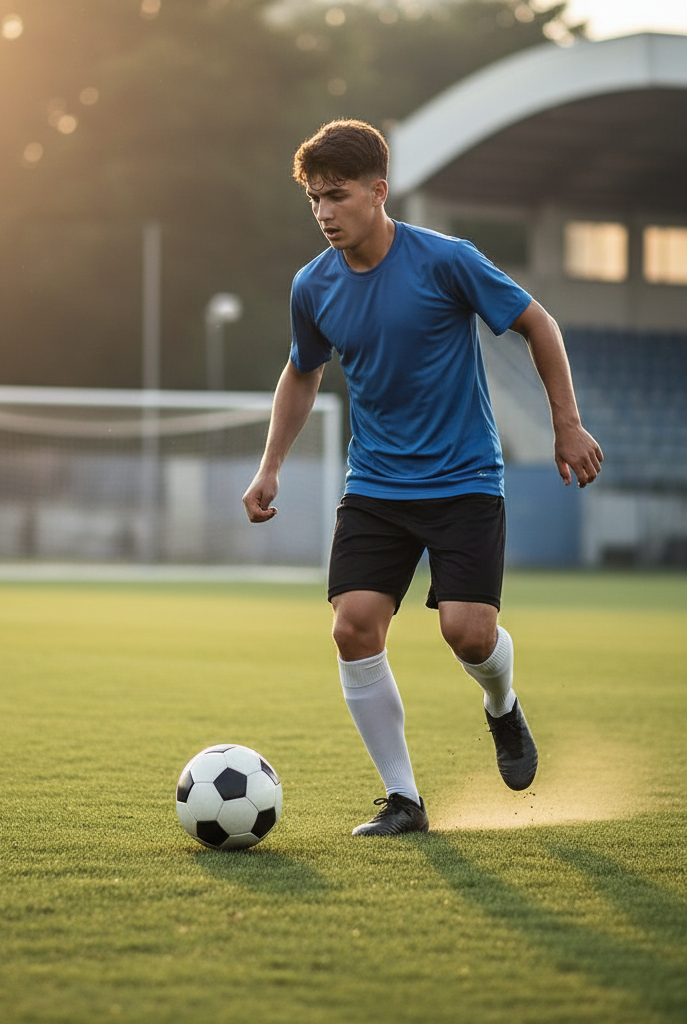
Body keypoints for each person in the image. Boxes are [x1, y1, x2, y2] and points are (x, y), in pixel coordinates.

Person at [242, 120, 603, 836]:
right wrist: (271, 466)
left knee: (468, 635)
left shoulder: (446, 261)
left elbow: (541, 325)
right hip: (375, 484)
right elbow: (302, 370)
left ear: (379, 192)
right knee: (352, 628)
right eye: (313, 199)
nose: (323, 213)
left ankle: (501, 706)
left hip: (465, 477)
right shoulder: (312, 286)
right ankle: (403, 799)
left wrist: (566, 423)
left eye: (337, 196)